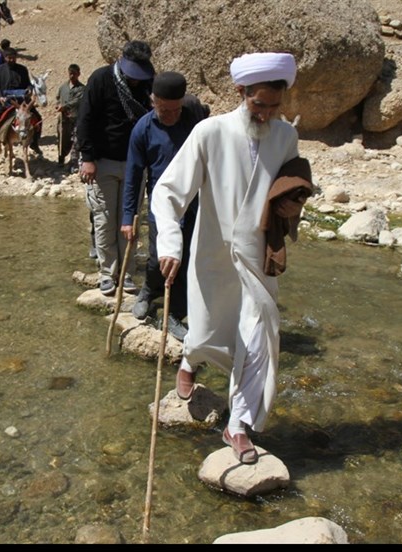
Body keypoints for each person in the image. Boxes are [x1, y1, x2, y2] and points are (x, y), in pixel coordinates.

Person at [151, 52, 312, 465]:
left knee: (258, 340)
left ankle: (236, 426)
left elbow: (288, 187)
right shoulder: (211, 132)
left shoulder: (285, 137)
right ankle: (189, 359)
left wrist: (293, 202)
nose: (267, 114)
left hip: (258, 258)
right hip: (213, 254)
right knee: (205, 329)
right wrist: (170, 244)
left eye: (275, 107)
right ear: (241, 93)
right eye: (260, 105)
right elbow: (168, 192)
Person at [121, 71, 208, 341]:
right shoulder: (143, 130)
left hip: (193, 203)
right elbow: (134, 176)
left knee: (186, 259)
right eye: (164, 109)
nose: (170, 115)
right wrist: (128, 216)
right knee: (159, 255)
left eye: (175, 109)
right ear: (152, 101)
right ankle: (149, 291)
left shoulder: (195, 125)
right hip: (161, 205)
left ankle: (172, 314)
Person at [76, 40, 155, 296]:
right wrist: (87, 158)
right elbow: (85, 119)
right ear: (121, 60)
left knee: (129, 220)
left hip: (135, 164)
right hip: (103, 162)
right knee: (105, 218)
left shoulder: (147, 83)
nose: (135, 81)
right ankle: (108, 273)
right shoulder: (100, 79)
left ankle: (127, 272)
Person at [0, 48, 43, 156]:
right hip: (5, 101)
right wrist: (0, 97)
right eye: (9, 58)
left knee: (38, 119)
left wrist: (29, 89)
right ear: (5, 58)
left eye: (13, 58)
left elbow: (28, 84)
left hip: (22, 101)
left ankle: (35, 143)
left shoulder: (22, 69)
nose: (12, 60)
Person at [55, 63, 84, 170]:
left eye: (74, 74)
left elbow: (77, 101)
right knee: (62, 138)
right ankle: (61, 159)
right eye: (70, 73)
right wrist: (58, 105)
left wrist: (65, 106)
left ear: (78, 74)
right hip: (63, 119)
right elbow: (58, 98)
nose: (72, 76)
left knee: (75, 140)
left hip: (76, 118)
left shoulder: (81, 89)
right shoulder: (63, 87)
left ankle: (73, 162)